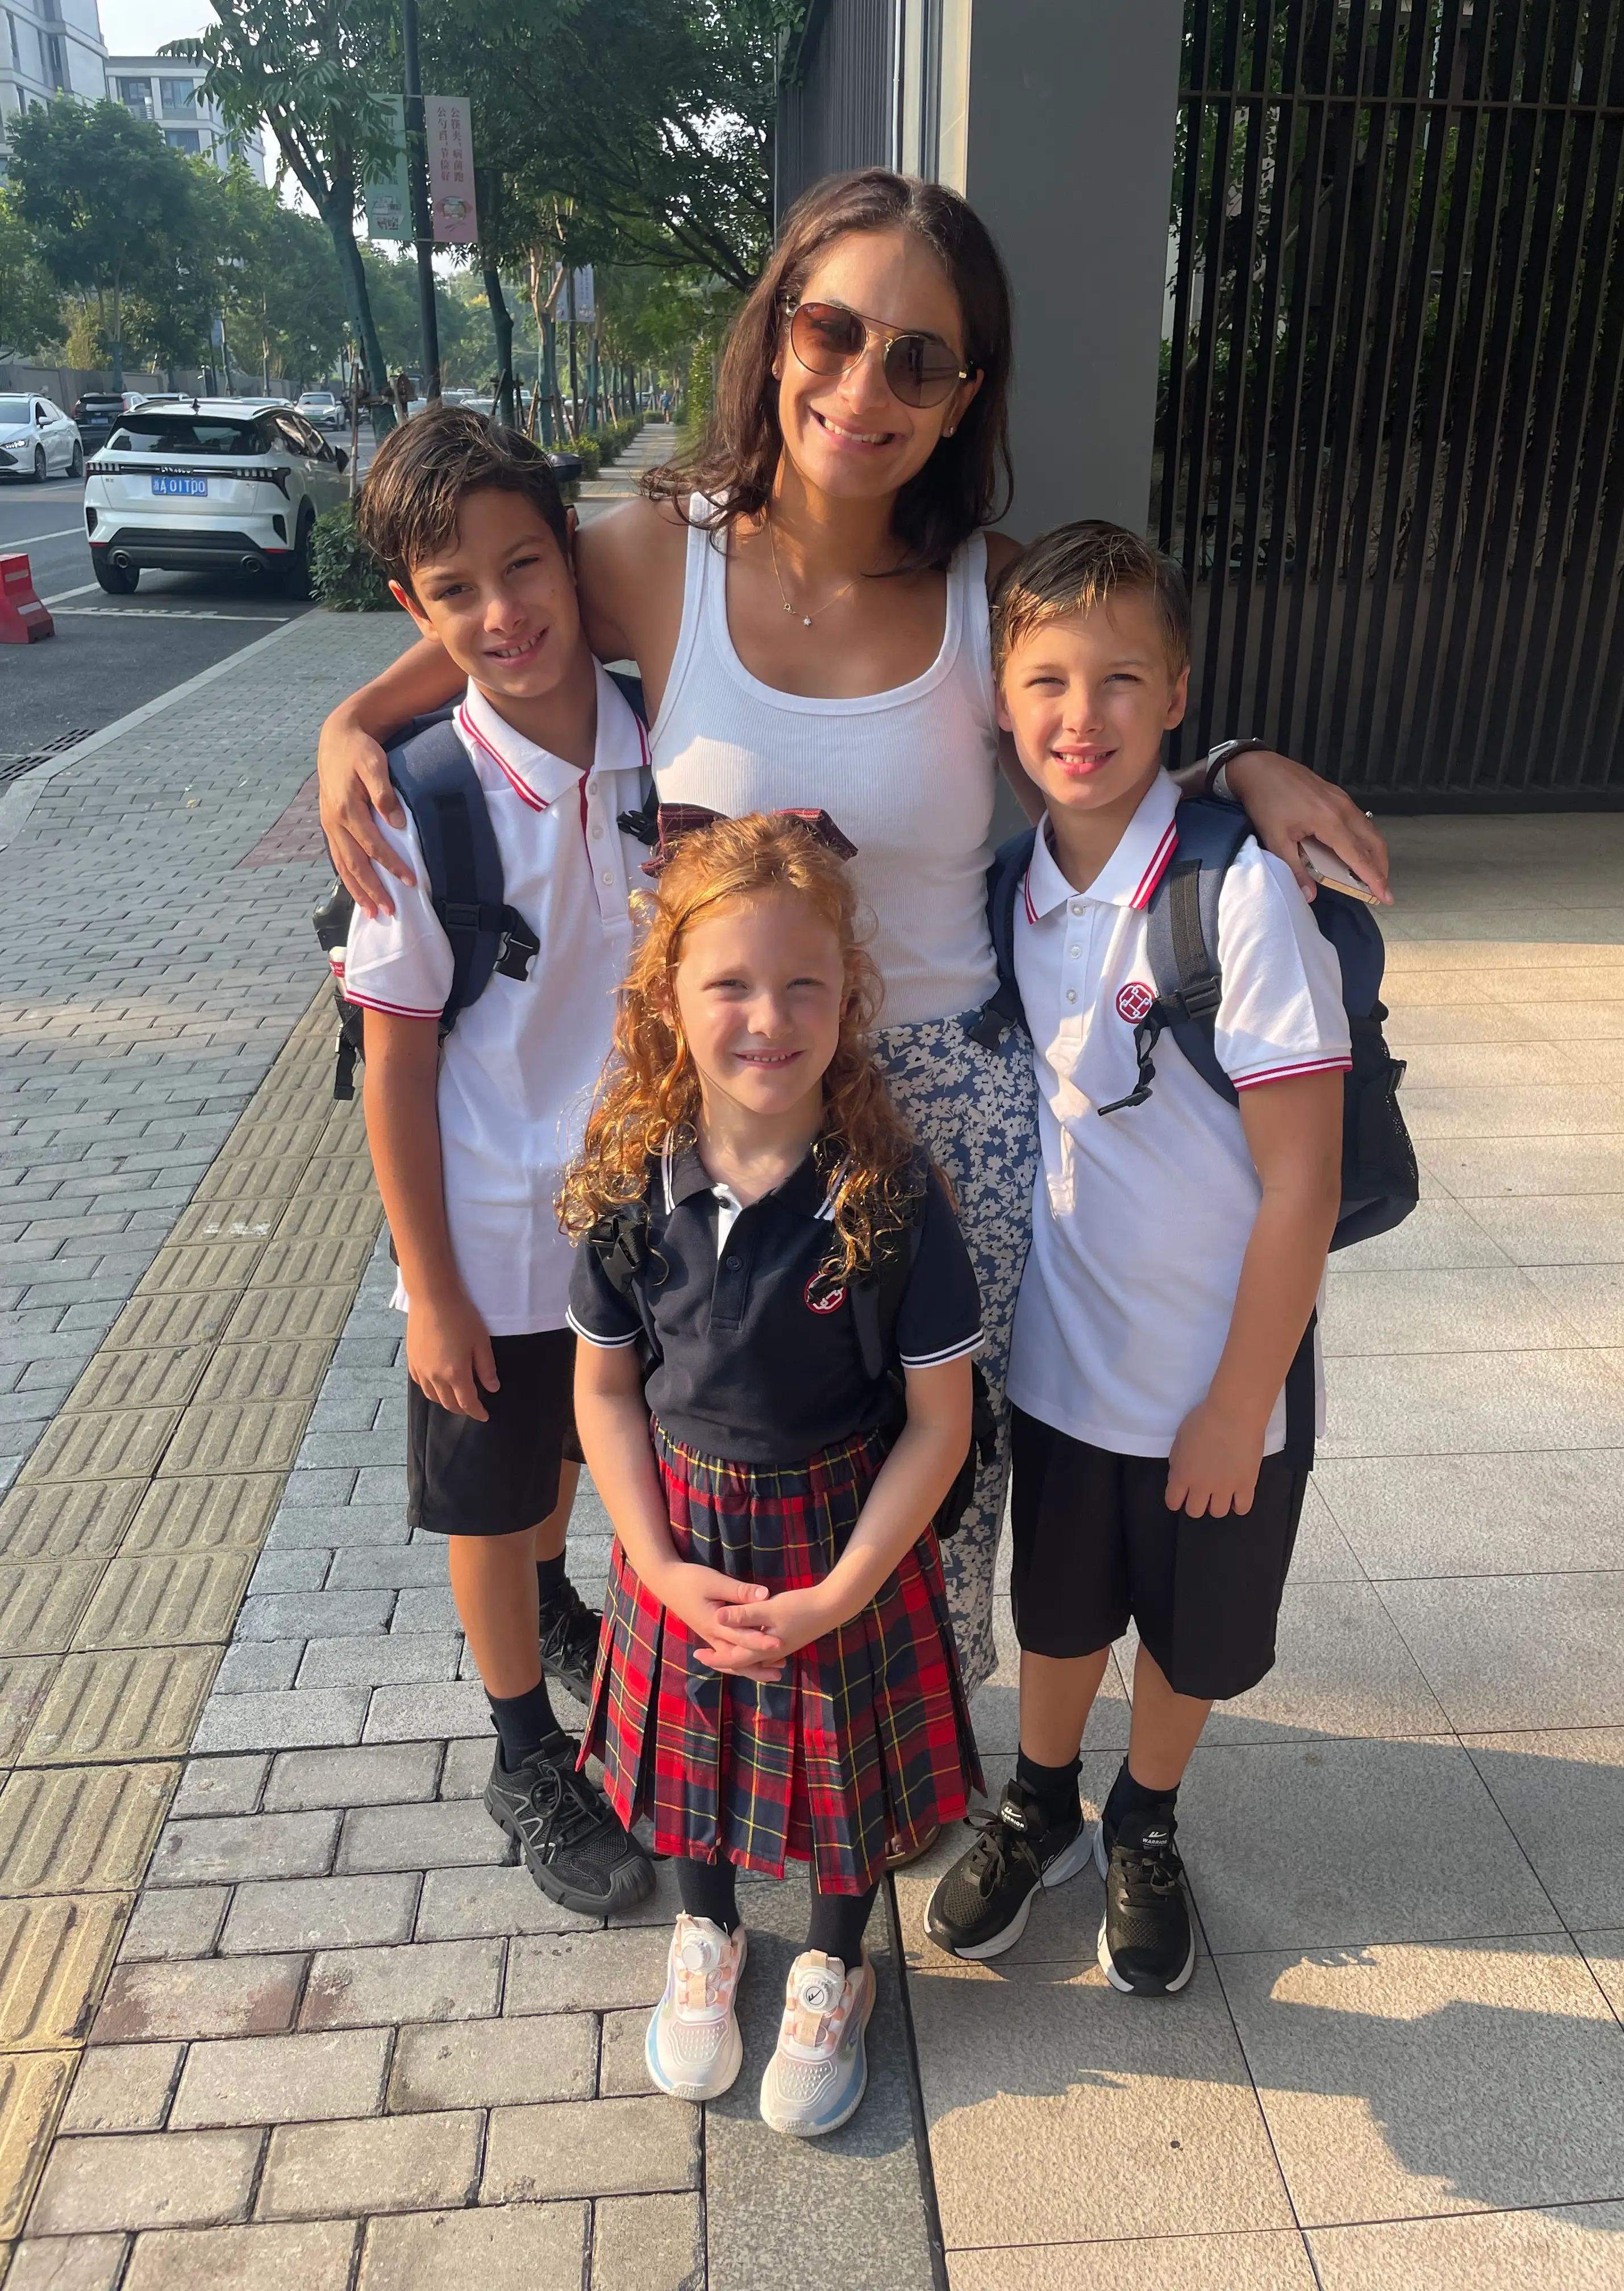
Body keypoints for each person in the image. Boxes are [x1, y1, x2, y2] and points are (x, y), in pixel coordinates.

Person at [315, 167, 1388, 1693]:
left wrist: (1242, 768)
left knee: (943, 1471)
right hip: (734, 1096)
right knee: (730, 1453)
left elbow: (1105, 718)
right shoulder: (653, 552)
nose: (865, 384)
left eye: (920, 358)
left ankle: (905, 1762)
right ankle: (736, 1755)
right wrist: (353, 717)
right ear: (774, 337)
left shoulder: (982, 594)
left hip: (953, 1106)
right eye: (834, 329)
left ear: (963, 398)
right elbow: (496, 627)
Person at [924, 523, 1348, 1997]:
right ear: (1000, 703)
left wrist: (1242, 1401)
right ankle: (1040, 1797)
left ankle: (1144, 1822)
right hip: (1064, 1366)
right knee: (1063, 1609)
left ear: (1177, 695)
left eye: (1119, 679)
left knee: (1190, 1633)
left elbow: (1305, 1176)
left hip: (1219, 1378)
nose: (1080, 714)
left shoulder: (1237, 893)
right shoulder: (1000, 895)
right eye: (1045, 679)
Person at [562, 813, 984, 2138]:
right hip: (676, 1529)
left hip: (840, 1532)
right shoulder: (632, 1186)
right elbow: (606, 1392)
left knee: (840, 1776)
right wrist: (656, 1564)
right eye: (728, 985)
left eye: (803, 983)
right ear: (667, 1001)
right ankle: (706, 1939)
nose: (768, 1017)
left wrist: (843, 1591)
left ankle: (830, 1966)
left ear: (849, 998)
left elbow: (939, 1425)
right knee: (688, 1767)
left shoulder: (891, 1195)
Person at [339, 405, 653, 1914]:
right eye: (453, 590)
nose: (499, 611)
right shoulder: (415, 806)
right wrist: (434, 1291)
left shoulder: (666, 737)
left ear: (573, 560)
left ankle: (555, 1598)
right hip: (481, 1228)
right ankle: (524, 1745)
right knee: (485, 1485)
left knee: (585, 1461)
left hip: (644, 1221)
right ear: (412, 607)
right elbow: (391, 1068)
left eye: (523, 565)